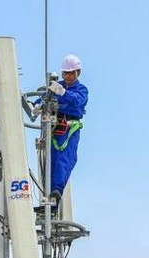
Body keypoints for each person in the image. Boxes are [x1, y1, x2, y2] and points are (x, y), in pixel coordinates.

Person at [46, 54, 89, 202]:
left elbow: (77, 100)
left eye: (71, 73)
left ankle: (56, 191)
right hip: (54, 127)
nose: (68, 76)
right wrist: (36, 104)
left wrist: (63, 93)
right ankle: (50, 197)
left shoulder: (81, 89)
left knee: (65, 159)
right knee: (50, 159)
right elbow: (45, 98)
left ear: (77, 73)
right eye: (65, 73)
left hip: (70, 128)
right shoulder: (57, 86)